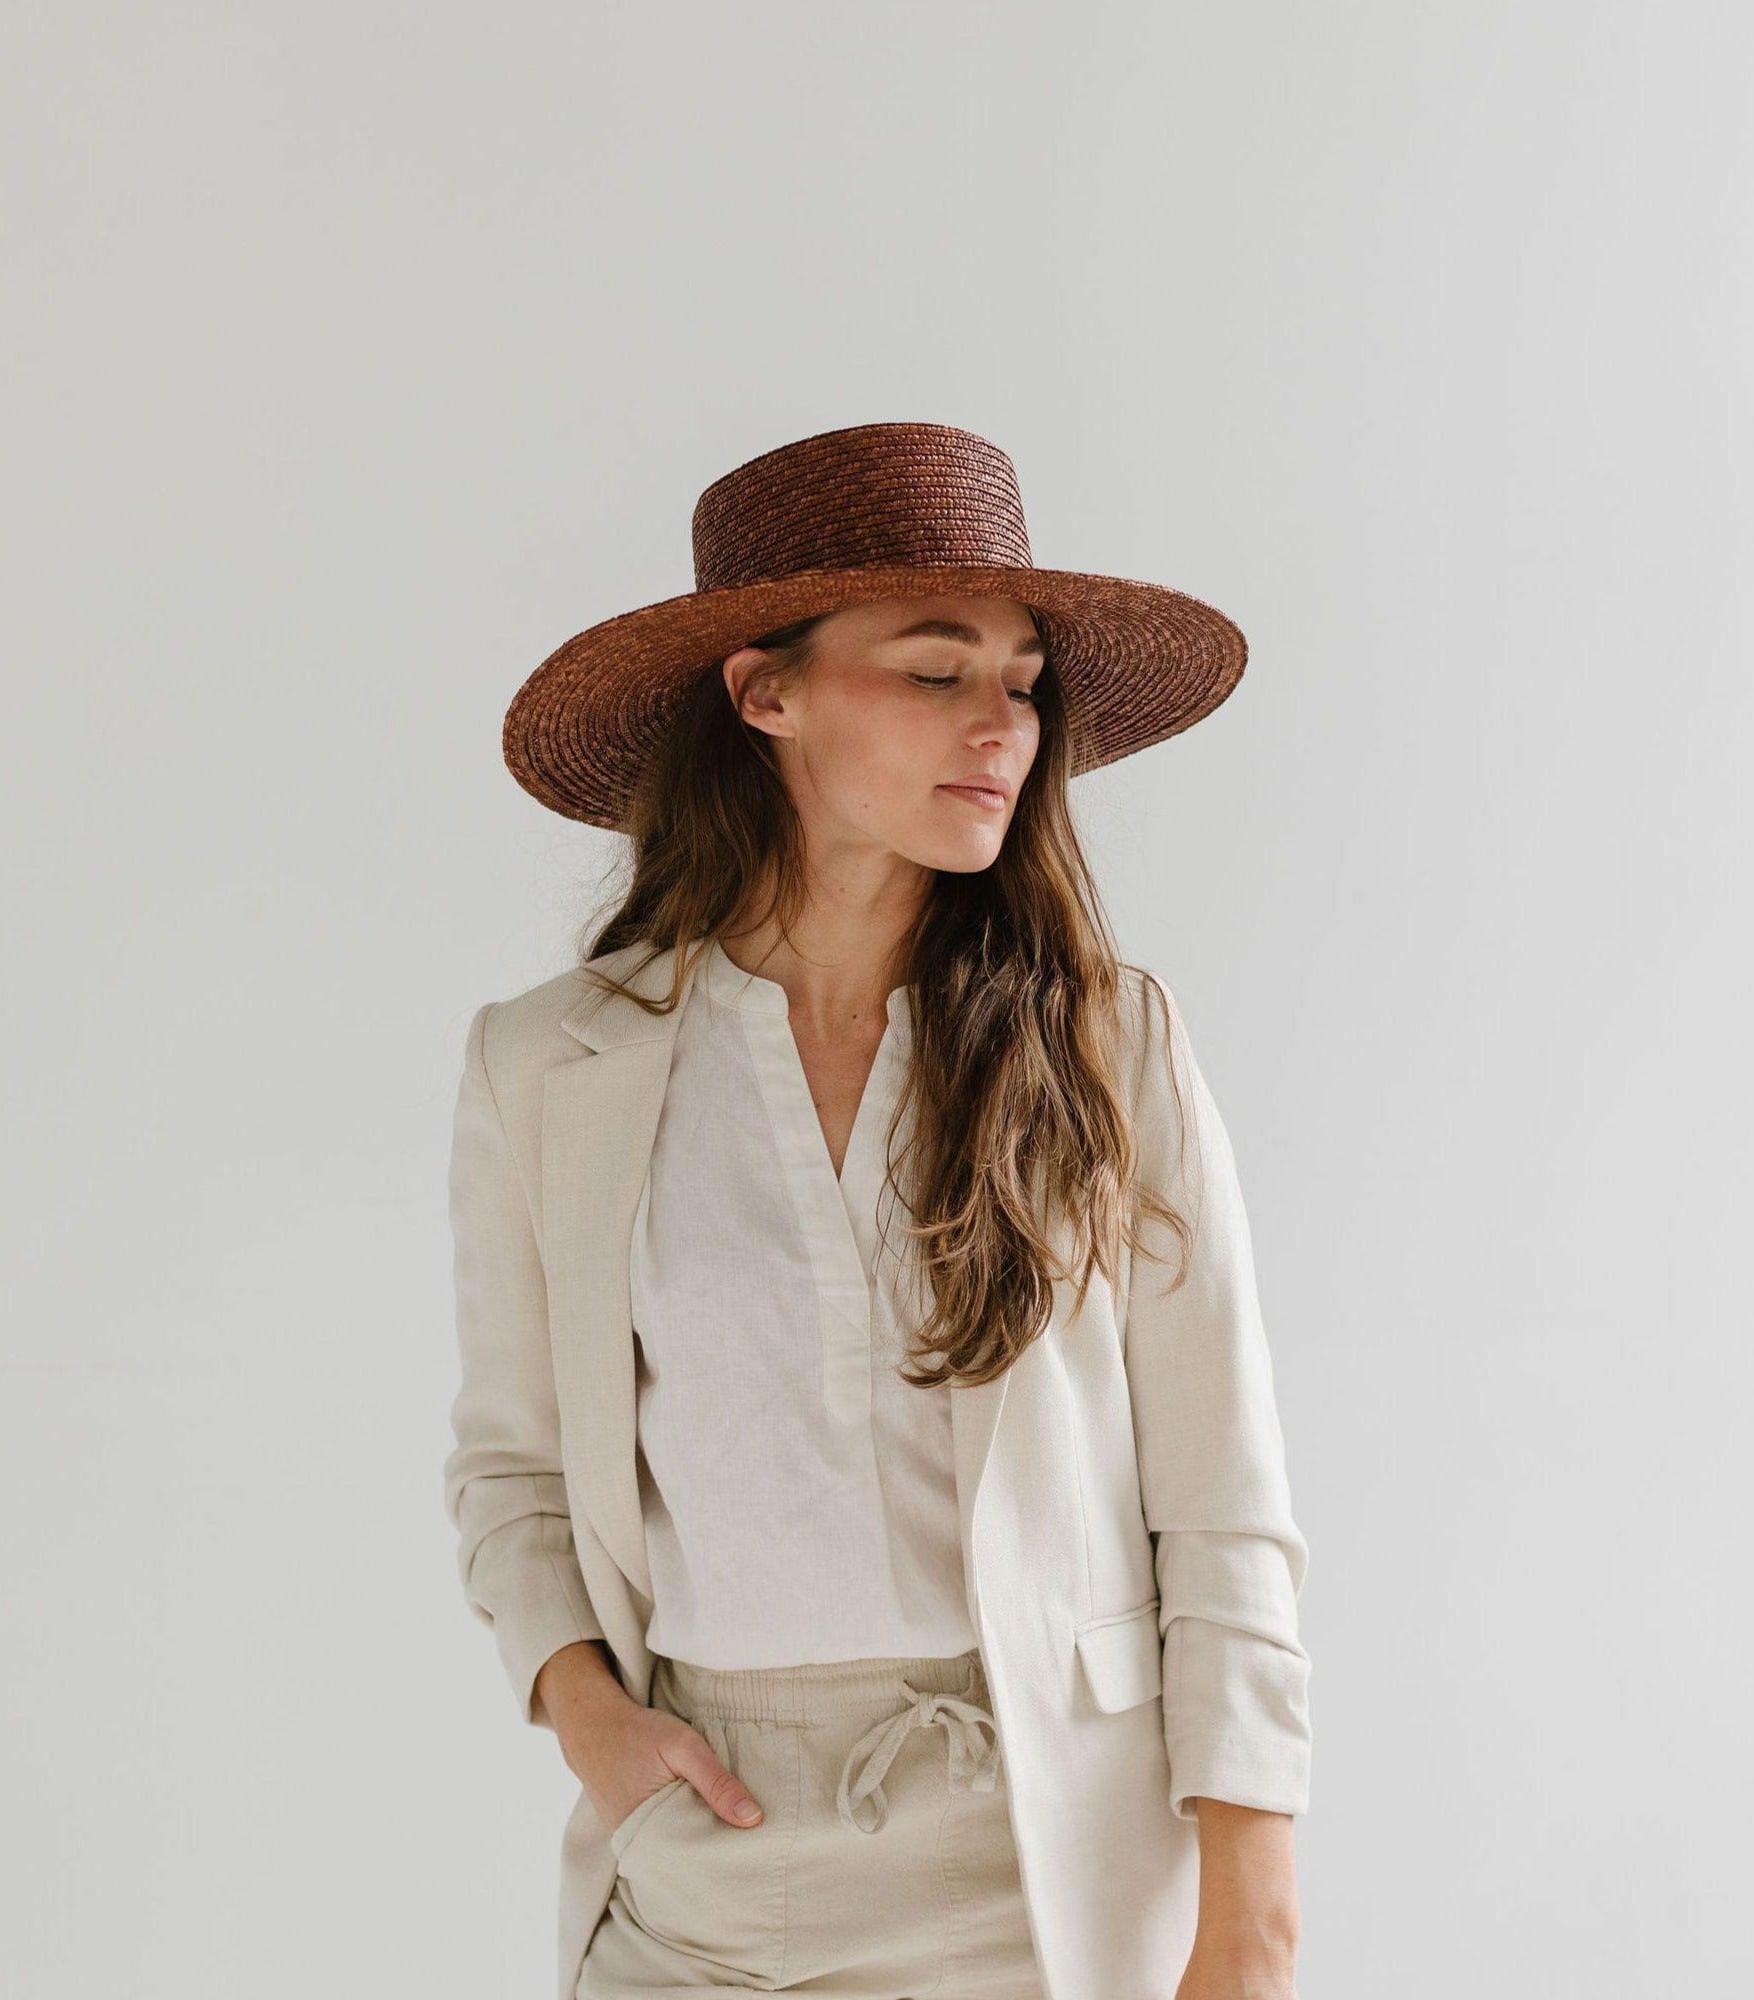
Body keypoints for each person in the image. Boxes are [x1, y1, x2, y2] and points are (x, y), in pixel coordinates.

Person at [443, 421, 1313, 2000]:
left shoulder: (1106, 1043)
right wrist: (587, 1714)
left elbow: (1223, 1502)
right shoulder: (549, 1067)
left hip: (1034, 1872)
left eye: (1024, 681)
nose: (1006, 726)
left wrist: (1250, 1928)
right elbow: (513, 1467)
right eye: (935, 672)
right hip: (701, 1872)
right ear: (763, 694)